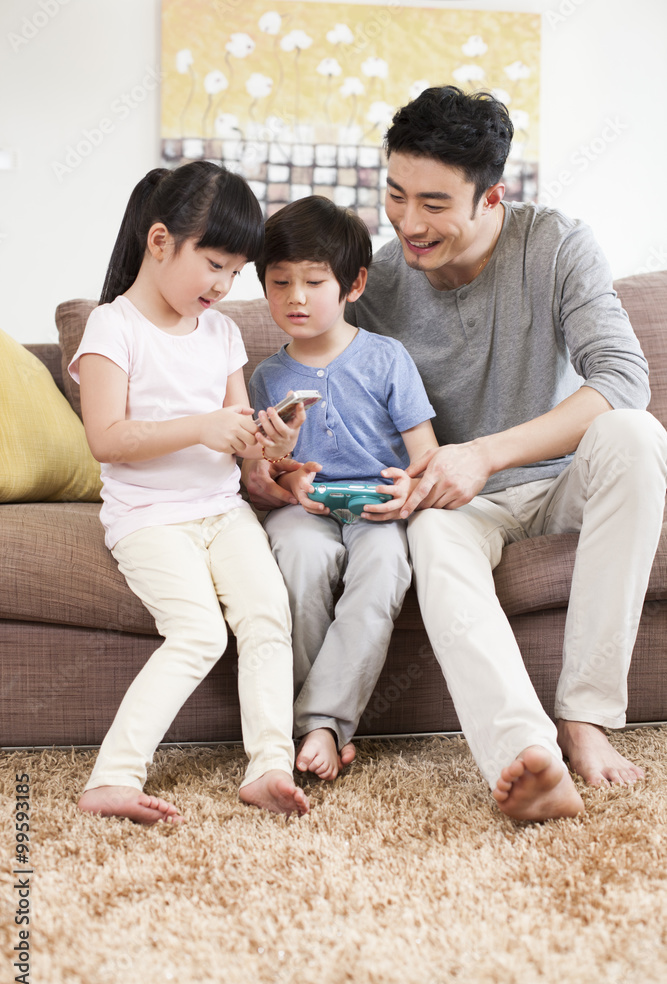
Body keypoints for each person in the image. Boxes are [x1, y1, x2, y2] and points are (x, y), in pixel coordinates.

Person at [245, 88, 667, 821]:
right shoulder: (371, 287)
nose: (410, 222)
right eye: (396, 195)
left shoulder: (555, 244)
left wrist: (482, 454)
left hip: (550, 478)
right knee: (433, 535)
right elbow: (332, 391)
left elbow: (623, 379)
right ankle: (523, 757)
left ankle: (585, 719)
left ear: (490, 196)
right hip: (453, 501)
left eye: (434, 203)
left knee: (636, 434)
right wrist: (283, 465)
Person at [69, 161, 310, 824]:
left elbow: (238, 441)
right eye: (213, 264)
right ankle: (111, 779)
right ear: (158, 243)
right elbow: (107, 438)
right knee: (199, 631)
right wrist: (202, 426)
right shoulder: (111, 328)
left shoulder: (222, 333)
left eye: (234, 271)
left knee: (267, 614)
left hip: (221, 510)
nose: (224, 285)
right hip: (148, 519)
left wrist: (270, 442)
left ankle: (269, 766)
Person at [246, 195, 438, 780]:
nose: (295, 298)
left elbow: (424, 452)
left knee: (382, 571)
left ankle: (325, 721)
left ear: (353, 285)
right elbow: (264, 472)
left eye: (312, 281)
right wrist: (286, 474)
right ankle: (307, 727)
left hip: (377, 508)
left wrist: (406, 487)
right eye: (279, 283)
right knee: (300, 561)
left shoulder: (388, 358)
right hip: (306, 507)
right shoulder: (266, 376)